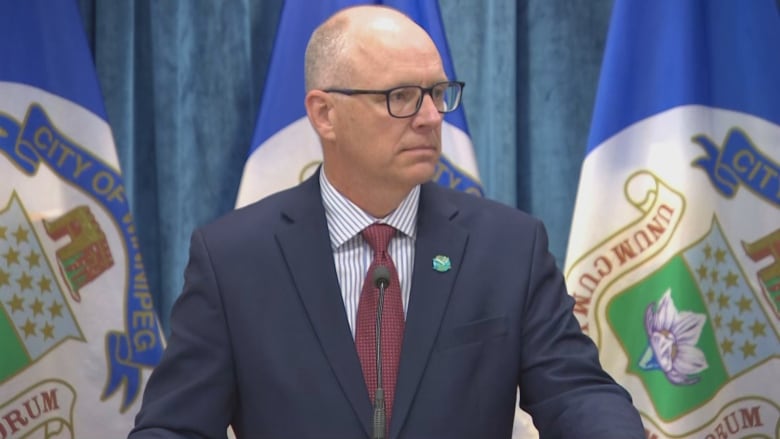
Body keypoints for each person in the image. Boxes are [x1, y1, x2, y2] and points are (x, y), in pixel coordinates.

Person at [129, 5, 645, 439]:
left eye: (438, 93)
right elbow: (174, 426)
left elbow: (577, 391)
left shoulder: (509, 247)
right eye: (401, 97)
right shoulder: (234, 259)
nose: (431, 117)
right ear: (324, 114)